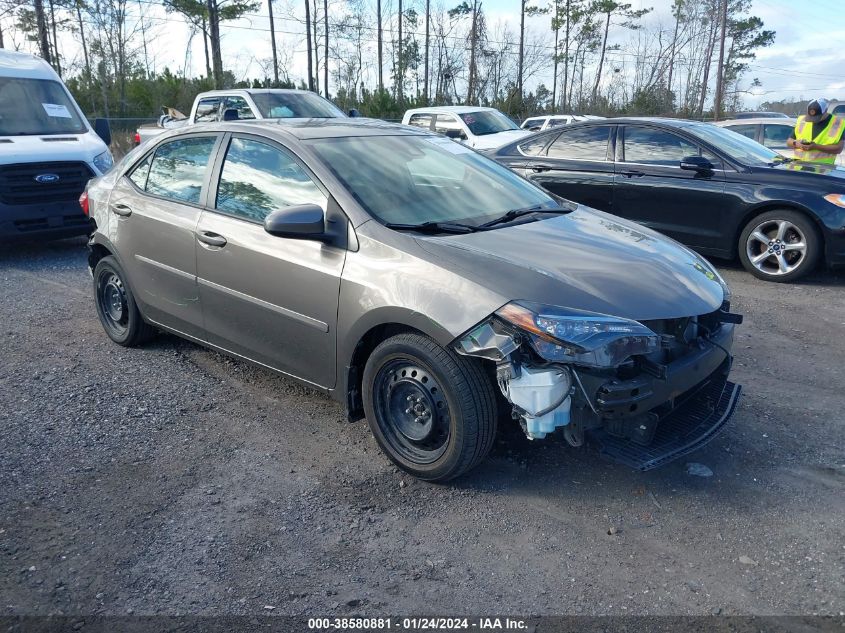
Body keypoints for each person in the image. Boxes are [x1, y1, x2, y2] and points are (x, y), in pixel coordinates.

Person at [787, 98, 845, 165]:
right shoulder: (802, 120)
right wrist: (796, 143)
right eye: (810, 117)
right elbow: (789, 142)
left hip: (823, 170)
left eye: (817, 117)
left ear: (825, 111)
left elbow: (838, 149)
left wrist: (816, 147)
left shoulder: (837, 123)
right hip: (800, 168)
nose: (813, 120)